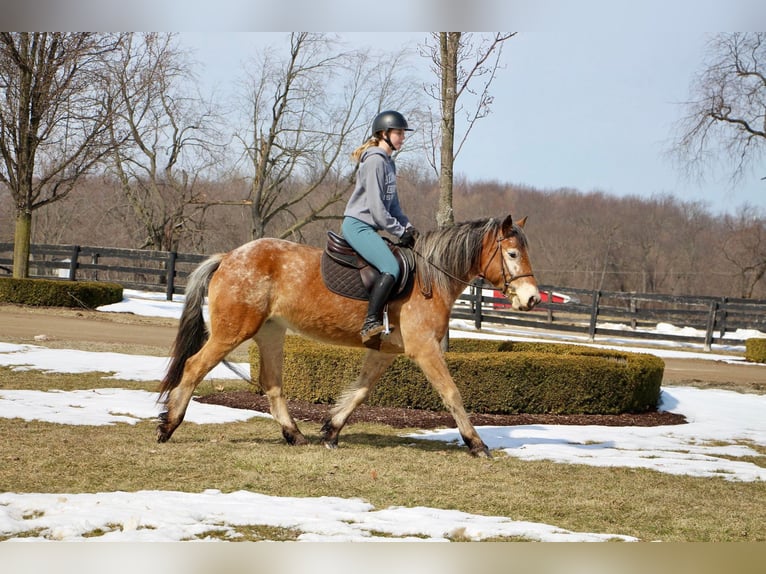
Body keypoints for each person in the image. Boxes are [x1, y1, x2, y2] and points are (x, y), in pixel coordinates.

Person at [342, 110, 419, 346]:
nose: (402, 138)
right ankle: (370, 322)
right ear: (384, 133)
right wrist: (398, 231)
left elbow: (393, 206)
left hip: (370, 227)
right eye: (398, 133)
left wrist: (409, 229)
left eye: (403, 133)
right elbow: (377, 210)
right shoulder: (375, 161)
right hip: (358, 225)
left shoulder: (389, 164)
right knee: (391, 267)